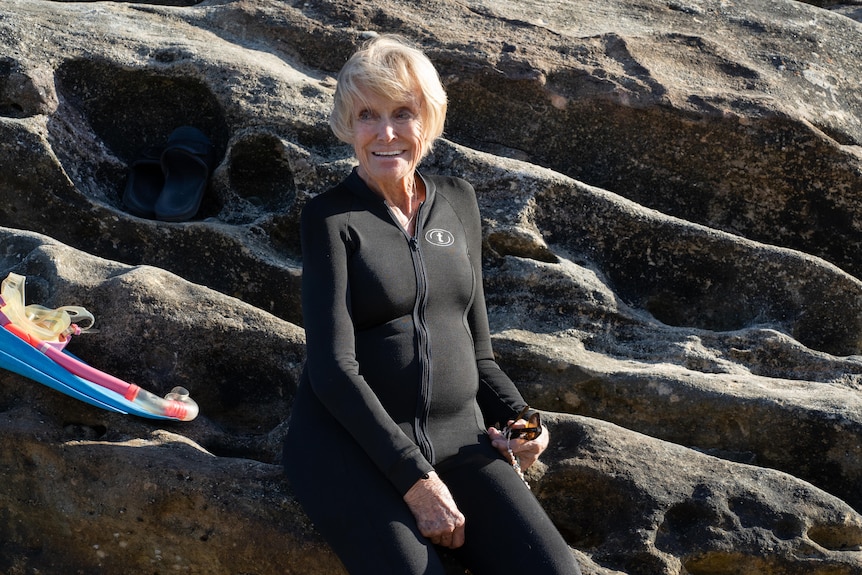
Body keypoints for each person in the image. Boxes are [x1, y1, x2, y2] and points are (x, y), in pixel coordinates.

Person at [283, 34, 581, 575]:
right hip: (350, 454)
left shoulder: (459, 201)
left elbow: (478, 351)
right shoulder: (330, 219)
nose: (387, 133)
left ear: (431, 119)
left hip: (457, 441)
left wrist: (522, 421)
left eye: (404, 113)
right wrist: (417, 483)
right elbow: (332, 370)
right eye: (367, 115)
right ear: (347, 124)